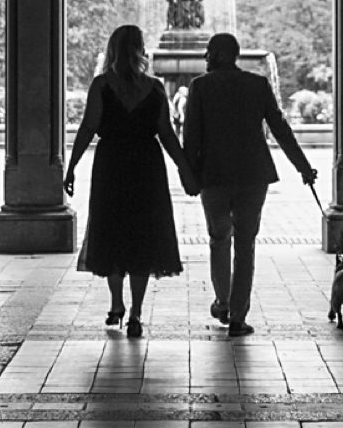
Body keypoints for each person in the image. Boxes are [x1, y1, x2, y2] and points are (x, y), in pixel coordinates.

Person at [182, 32, 317, 337]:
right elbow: (280, 128)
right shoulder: (257, 84)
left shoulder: (200, 87)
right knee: (245, 244)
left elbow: (191, 137)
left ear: (216, 55)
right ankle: (239, 317)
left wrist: (188, 175)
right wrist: (303, 167)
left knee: (218, 239)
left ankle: (223, 301)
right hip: (253, 175)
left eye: (208, 52)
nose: (204, 57)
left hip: (213, 175)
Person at [64, 24, 192, 339]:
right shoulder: (156, 87)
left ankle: (116, 304)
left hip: (112, 164)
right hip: (147, 166)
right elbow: (166, 133)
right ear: (140, 50)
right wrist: (183, 166)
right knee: (143, 235)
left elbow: (87, 128)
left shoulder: (101, 85)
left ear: (112, 49)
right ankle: (135, 313)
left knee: (111, 231)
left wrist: (72, 166)